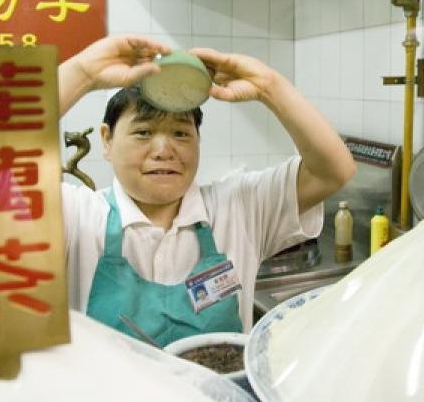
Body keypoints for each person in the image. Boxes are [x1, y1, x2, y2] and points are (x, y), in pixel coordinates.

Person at [58, 35, 356, 347]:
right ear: (106, 140)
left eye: (181, 133)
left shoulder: (238, 207)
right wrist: (84, 73)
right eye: (143, 132)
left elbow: (334, 170)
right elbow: (1, 154)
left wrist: (268, 86)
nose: (163, 150)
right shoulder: (75, 214)